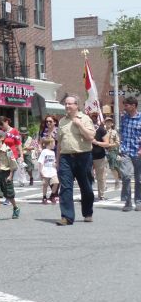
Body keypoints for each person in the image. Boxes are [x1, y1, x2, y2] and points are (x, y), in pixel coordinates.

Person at [55, 95, 96, 225]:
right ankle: (67, 217)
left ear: (76, 105)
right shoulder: (62, 121)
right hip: (66, 158)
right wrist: (57, 160)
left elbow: (90, 136)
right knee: (66, 187)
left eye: (70, 104)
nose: (67, 106)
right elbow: (59, 144)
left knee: (86, 187)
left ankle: (88, 212)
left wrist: (80, 126)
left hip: (83, 157)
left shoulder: (85, 119)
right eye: (65, 104)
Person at [0, 130, 20, 222]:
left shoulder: (8, 150)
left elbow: (13, 164)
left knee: (9, 195)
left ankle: (15, 207)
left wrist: (10, 175)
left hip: (6, 173)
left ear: (2, 138)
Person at [119, 96, 141, 212]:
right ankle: (127, 202)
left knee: (139, 178)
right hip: (126, 151)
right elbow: (121, 132)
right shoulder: (124, 118)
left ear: (133, 106)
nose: (125, 107)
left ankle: (139, 201)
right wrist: (120, 147)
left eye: (127, 105)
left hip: (138, 151)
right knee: (126, 176)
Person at [89, 112, 109, 201]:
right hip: (87, 155)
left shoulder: (101, 130)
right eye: (92, 117)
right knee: (87, 176)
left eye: (95, 117)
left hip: (99, 155)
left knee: (100, 176)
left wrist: (96, 142)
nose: (94, 118)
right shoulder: (86, 129)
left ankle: (101, 195)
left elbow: (106, 143)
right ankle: (87, 194)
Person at [37, 138, 59, 204]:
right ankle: (44, 197)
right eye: (54, 143)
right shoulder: (44, 151)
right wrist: (40, 171)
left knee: (56, 182)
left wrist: (55, 164)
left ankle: (52, 195)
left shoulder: (53, 152)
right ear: (50, 144)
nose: (54, 145)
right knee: (45, 184)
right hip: (45, 170)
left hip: (52, 170)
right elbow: (40, 161)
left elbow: (54, 161)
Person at [104, 116, 121, 190]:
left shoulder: (114, 132)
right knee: (103, 169)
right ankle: (103, 185)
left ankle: (117, 181)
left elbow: (117, 142)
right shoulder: (102, 131)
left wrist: (110, 145)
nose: (108, 123)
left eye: (110, 122)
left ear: (112, 123)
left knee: (113, 167)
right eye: (107, 121)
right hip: (102, 151)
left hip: (111, 151)